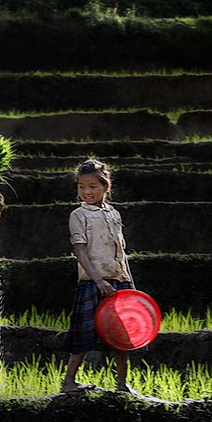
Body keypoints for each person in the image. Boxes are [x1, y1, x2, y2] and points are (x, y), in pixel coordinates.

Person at [61, 158, 137, 395]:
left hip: (118, 281)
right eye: (82, 187)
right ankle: (69, 382)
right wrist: (99, 281)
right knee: (83, 335)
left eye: (93, 186)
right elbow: (80, 251)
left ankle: (122, 385)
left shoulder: (114, 214)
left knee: (120, 336)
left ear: (106, 187)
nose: (86, 192)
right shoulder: (79, 215)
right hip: (93, 283)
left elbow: (121, 253)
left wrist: (129, 284)